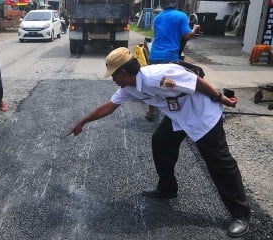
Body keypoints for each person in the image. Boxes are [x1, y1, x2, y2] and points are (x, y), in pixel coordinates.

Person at [67, 47, 250, 238]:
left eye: (114, 76)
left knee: (219, 162)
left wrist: (221, 98)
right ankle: (167, 188)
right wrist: (83, 122)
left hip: (202, 114)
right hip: (178, 117)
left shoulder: (158, 77)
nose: (113, 80)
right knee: (161, 143)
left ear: (124, 73)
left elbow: (196, 82)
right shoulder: (129, 87)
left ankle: (241, 215)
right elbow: (109, 107)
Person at [145, 0, 201, 121]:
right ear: (175, 3)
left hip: (154, 55)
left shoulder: (157, 18)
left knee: (153, 84)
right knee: (171, 85)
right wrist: (195, 29)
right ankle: (172, 113)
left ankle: (150, 111)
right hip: (170, 56)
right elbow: (186, 36)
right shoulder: (181, 16)